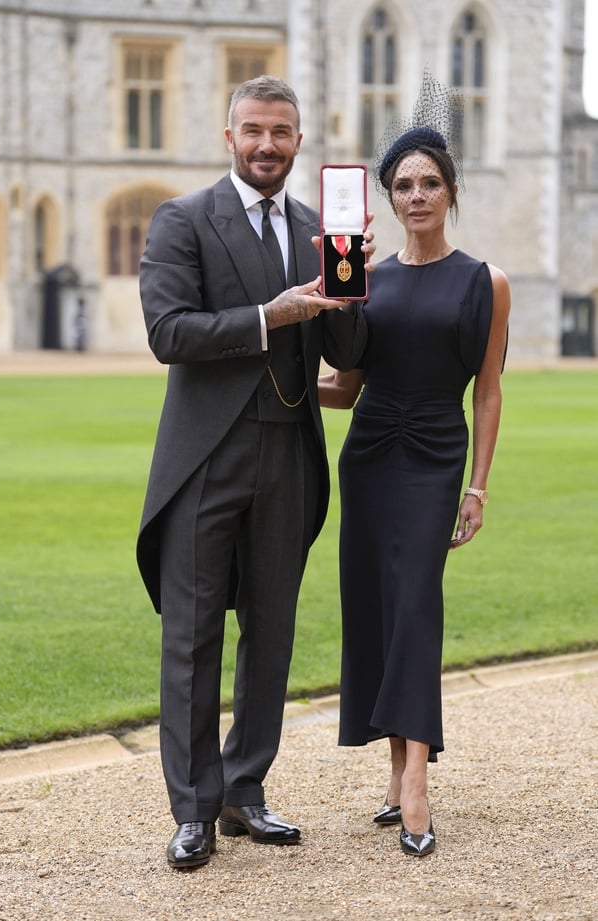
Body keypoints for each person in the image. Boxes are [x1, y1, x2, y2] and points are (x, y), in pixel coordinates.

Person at [137, 75, 374, 869]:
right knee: (194, 635)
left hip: (289, 455)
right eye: (253, 130)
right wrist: (272, 315)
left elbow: (346, 354)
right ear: (228, 136)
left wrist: (353, 290)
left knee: (270, 632)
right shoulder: (183, 219)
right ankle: (195, 809)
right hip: (206, 455)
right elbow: (168, 331)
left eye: (281, 132)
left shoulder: (317, 226)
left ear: (299, 141)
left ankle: (245, 791)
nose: (267, 144)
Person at [319, 88, 511, 857]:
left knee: (416, 604)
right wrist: (271, 377)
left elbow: (490, 391)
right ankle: (397, 774)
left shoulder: (485, 282)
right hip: (369, 454)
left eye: (430, 182)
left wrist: (478, 484)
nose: (417, 194)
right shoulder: (363, 278)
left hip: (436, 455)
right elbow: (345, 385)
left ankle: (420, 779)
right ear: (387, 199)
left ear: (451, 192)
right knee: (376, 605)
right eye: (403, 184)